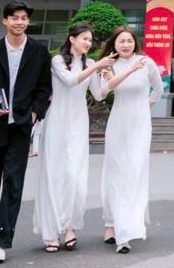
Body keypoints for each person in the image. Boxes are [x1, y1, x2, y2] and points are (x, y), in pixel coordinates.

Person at [0, 1, 54, 264]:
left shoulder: (39, 51)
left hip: (21, 126)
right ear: (5, 21)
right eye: (14, 18)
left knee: (13, 182)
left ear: (28, 21)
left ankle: (2, 240)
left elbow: (44, 88)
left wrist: (35, 113)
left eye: (24, 18)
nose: (19, 22)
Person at [34, 22, 116, 252]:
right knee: (54, 175)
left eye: (90, 40)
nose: (88, 43)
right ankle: (51, 231)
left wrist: (107, 77)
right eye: (84, 39)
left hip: (78, 122)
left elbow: (99, 95)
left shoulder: (90, 63)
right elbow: (71, 81)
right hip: (56, 120)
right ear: (72, 39)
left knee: (75, 176)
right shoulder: (57, 61)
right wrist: (97, 65)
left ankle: (69, 226)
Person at [92, 26, 163, 253]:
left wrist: (144, 108)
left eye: (129, 41)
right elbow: (102, 93)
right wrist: (124, 71)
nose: (125, 45)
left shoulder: (147, 62)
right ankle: (111, 224)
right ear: (114, 44)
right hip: (118, 124)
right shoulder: (109, 65)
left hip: (140, 125)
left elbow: (158, 89)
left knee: (135, 172)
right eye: (121, 41)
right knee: (115, 173)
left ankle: (128, 228)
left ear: (135, 42)